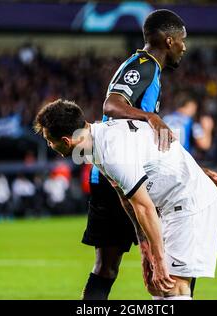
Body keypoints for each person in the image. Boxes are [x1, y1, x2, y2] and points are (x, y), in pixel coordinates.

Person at [34, 99, 217, 299]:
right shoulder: (97, 139)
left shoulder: (112, 153)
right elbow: (127, 194)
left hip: (190, 204)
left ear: (66, 141)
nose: (49, 145)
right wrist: (145, 247)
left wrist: (159, 260)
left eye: (50, 140)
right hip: (176, 203)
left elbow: (144, 208)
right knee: (160, 290)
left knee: (172, 288)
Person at [79, 8, 188, 300]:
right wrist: (150, 117)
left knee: (108, 269)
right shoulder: (144, 64)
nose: (184, 47)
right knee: (167, 265)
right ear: (168, 40)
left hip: (119, 173)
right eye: (181, 39)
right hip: (119, 174)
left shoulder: (145, 66)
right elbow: (111, 105)